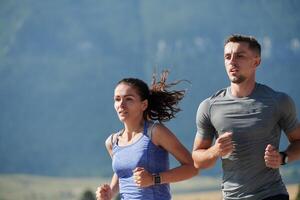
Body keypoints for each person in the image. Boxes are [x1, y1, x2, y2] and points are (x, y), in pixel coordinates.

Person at [192, 34, 300, 200]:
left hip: (272, 195)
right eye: (227, 57)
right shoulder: (209, 106)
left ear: (256, 62)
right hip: (232, 197)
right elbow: (198, 159)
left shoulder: (278, 101)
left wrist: (282, 157)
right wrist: (215, 151)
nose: (232, 62)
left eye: (240, 56)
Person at [96, 70, 198, 200]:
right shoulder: (112, 142)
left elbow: (192, 168)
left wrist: (153, 179)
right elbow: (123, 173)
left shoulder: (155, 132)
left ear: (143, 105)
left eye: (128, 99)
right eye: (117, 99)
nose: (121, 104)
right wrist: (110, 192)